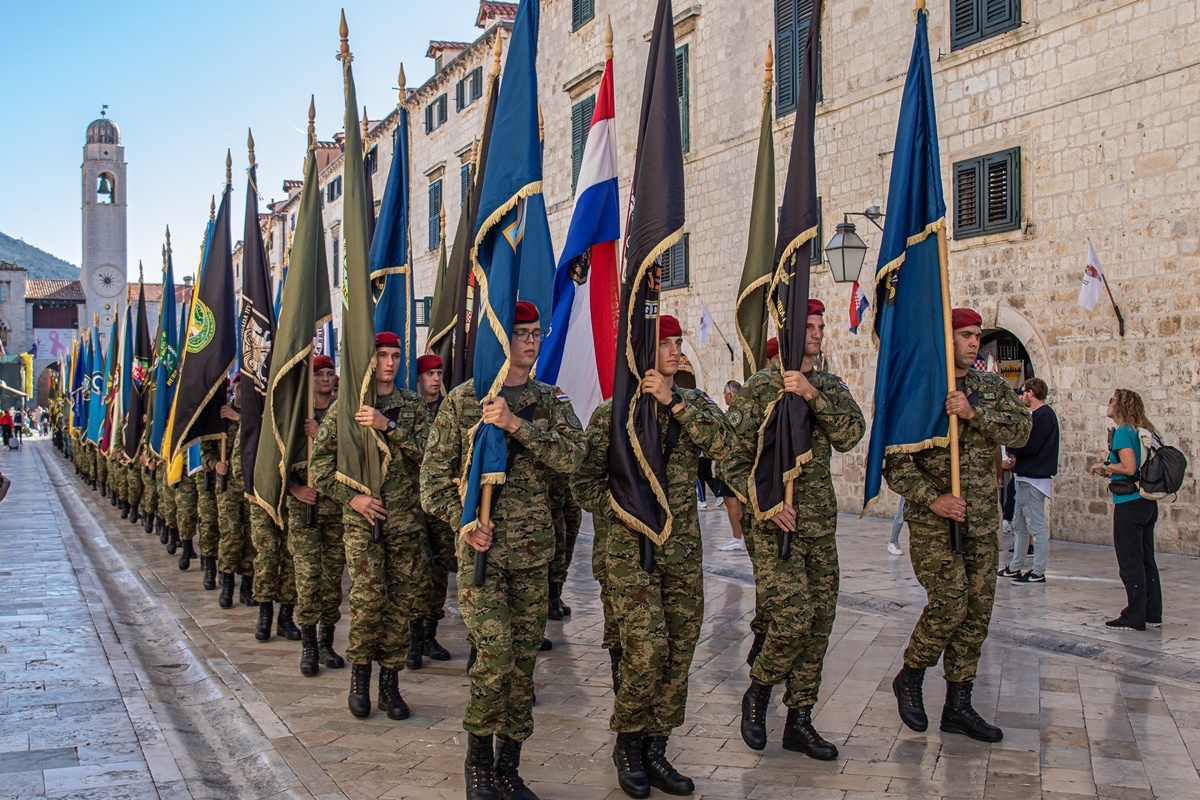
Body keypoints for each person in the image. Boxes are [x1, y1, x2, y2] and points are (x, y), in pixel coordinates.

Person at [422, 301, 586, 800]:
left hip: (533, 560)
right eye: (521, 333)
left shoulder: (549, 399)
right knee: (494, 656)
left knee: (522, 667)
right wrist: (465, 524)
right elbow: (432, 483)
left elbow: (574, 457)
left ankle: (508, 766)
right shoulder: (464, 401)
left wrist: (518, 426)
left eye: (537, 333)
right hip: (483, 560)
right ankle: (477, 762)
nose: (532, 342)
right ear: (500, 338)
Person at [572, 314, 736, 799]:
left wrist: (674, 404)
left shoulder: (694, 404)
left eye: (679, 342)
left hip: (682, 552)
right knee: (646, 650)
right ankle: (628, 743)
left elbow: (728, 444)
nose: (675, 350)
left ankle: (657, 747)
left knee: (680, 649)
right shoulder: (612, 413)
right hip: (628, 553)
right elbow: (583, 483)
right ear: (645, 352)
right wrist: (620, 510)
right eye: (665, 343)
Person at [886, 307, 1031, 744]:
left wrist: (974, 415)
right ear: (944, 338)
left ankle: (959, 704)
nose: (973, 342)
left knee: (977, 613)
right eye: (965, 335)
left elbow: (1023, 430)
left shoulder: (989, 386)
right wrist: (936, 499)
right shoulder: (921, 387)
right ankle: (911, 675)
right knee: (951, 602)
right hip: (935, 523)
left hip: (982, 520)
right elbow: (894, 464)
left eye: (976, 335)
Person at [729, 299, 865, 760]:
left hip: (818, 524)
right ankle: (759, 692)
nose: (817, 332)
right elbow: (729, 455)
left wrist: (811, 395)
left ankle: (800, 720)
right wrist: (762, 506)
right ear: (788, 331)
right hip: (774, 525)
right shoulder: (760, 387)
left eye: (821, 325)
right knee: (791, 618)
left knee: (820, 624)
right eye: (808, 326)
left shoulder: (826, 385)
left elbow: (851, 433)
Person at [311, 332, 433, 721]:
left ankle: (390, 685)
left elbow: (432, 454)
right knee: (367, 602)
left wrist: (388, 427)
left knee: (400, 606)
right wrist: (354, 499)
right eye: (382, 355)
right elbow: (319, 470)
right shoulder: (347, 409)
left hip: (405, 523)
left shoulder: (411, 405)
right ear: (371, 360)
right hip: (363, 524)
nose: (390, 363)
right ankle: (360, 679)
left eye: (396, 356)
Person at [287, 354, 348, 677]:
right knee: (308, 577)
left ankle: (326, 643)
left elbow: (353, 451)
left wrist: (321, 430)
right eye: (319, 374)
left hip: (335, 506)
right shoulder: (298, 415)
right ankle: (309, 646)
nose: (325, 379)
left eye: (329, 373)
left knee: (331, 579)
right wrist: (296, 489)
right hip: (304, 507)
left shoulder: (339, 413)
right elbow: (278, 460)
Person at [1089, 389, 1162, 631]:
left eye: (1111, 401)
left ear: (1120, 406)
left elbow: (1130, 468)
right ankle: (1152, 613)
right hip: (1146, 502)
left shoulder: (1123, 432)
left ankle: (1134, 616)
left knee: (1130, 562)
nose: (1108, 404)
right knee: (1146, 560)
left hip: (1128, 504)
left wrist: (1105, 464)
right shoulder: (1143, 431)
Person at [409, 353, 453, 668]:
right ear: (419, 379)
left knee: (438, 571)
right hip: (411, 503)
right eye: (430, 374)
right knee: (414, 573)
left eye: (439, 373)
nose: (435, 379)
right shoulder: (410, 409)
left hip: (440, 503)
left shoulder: (450, 409)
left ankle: (429, 635)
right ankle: (412, 639)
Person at [998, 378, 1059, 583]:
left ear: (1031, 393)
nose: (1021, 396)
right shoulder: (1035, 415)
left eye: (1023, 392)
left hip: (1034, 478)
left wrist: (1013, 449)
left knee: (1036, 526)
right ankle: (1015, 566)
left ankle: (1038, 570)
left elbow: (1030, 444)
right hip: (1024, 476)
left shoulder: (1044, 416)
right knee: (1019, 525)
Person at [216, 380, 257, 609]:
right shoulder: (221, 414)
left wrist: (238, 418)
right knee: (231, 535)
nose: (243, 391)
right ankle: (227, 585)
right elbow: (207, 449)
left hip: (250, 485)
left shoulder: (254, 415)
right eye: (240, 387)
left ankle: (246, 587)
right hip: (229, 487)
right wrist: (215, 464)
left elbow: (259, 432)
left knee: (252, 537)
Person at [717, 380, 746, 552]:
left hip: (732, 466)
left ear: (729, 395)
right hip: (732, 465)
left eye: (724, 394)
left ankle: (738, 537)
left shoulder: (736, 414)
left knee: (732, 500)